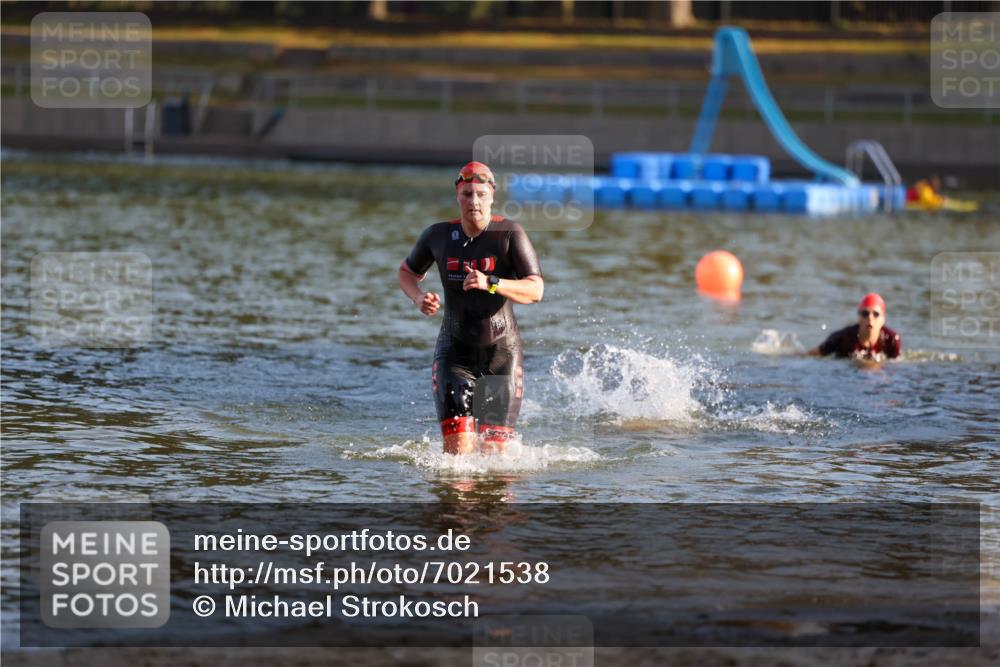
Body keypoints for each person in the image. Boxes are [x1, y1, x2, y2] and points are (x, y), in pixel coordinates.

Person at [397, 162, 544, 455]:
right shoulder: (436, 236)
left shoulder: (509, 234)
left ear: (492, 196)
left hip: (501, 356)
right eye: (466, 194)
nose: (473, 202)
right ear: (457, 196)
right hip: (454, 355)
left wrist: (492, 282)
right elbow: (406, 272)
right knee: (457, 463)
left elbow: (535, 290)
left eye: (480, 194)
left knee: (496, 458)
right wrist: (418, 298)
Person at [807, 293, 901, 361]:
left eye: (876, 314)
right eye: (865, 314)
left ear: (883, 319)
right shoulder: (842, 338)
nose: (870, 318)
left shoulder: (892, 340)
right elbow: (812, 355)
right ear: (859, 318)